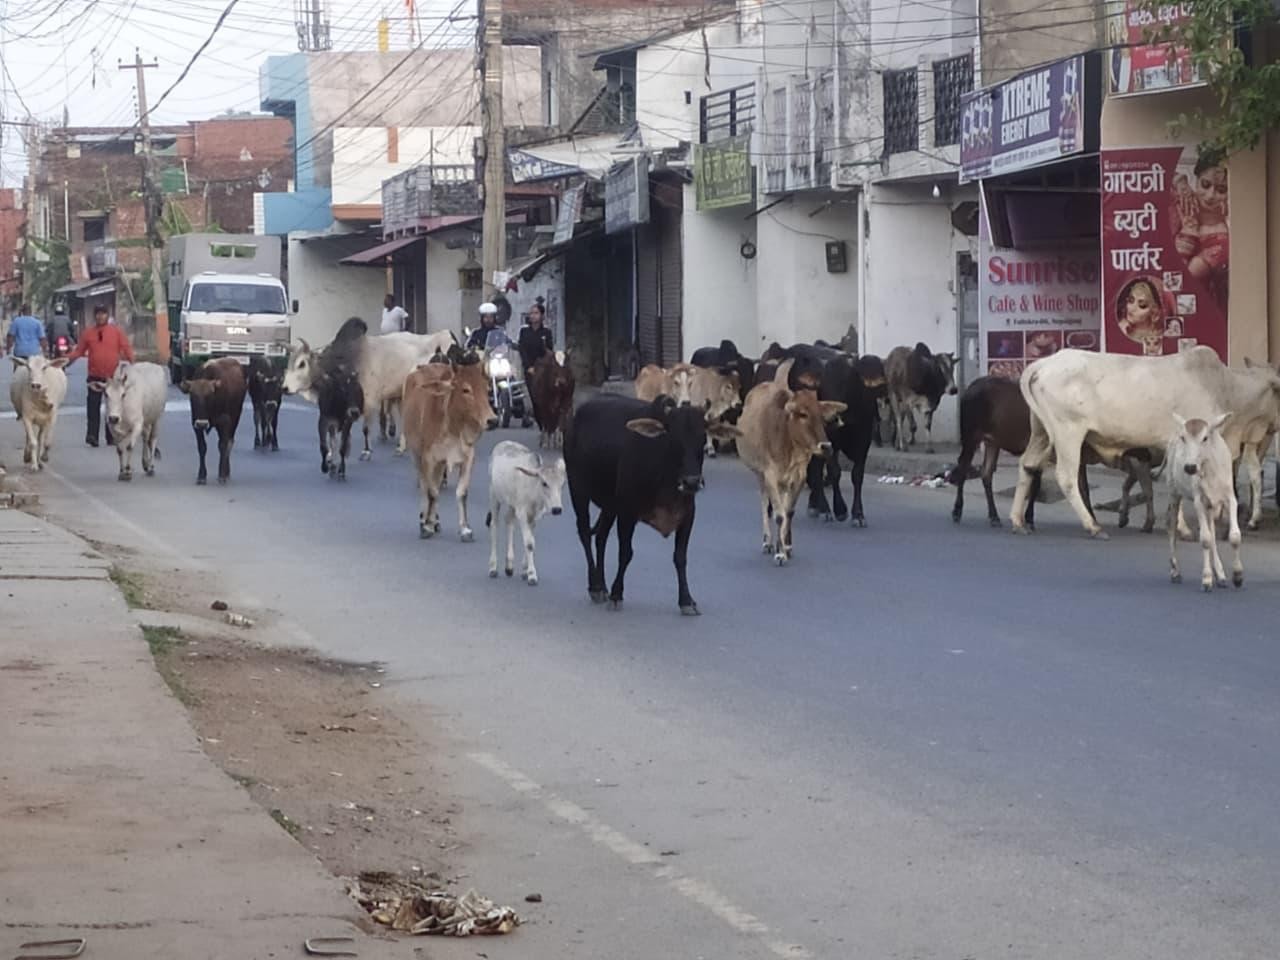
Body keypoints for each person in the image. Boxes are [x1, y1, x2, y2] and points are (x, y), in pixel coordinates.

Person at [66, 305, 134, 447]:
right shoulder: (88, 333)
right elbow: (78, 351)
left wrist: (134, 364)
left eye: (103, 313)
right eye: (98, 314)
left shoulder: (116, 332)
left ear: (107, 315)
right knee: (93, 406)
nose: (100, 316)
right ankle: (92, 435)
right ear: (94, 316)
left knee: (113, 407)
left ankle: (112, 436)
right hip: (94, 376)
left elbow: (126, 348)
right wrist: (65, 363)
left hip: (113, 377)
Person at [517, 302, 554, 374]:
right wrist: (528, 367)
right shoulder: (524, 331)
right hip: (528, 368)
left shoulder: (547, 332)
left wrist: (541, 367)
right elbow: (522, 349)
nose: (533, 316)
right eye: (531, 313)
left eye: (536, 313)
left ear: (542, 316)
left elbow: (549, 350)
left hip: (543, 369)